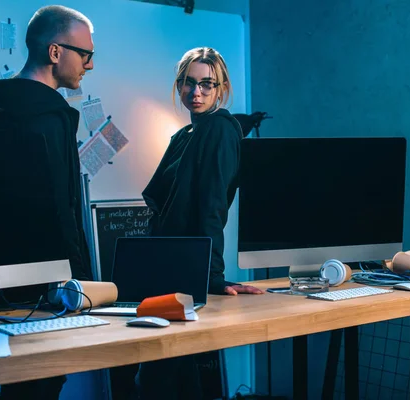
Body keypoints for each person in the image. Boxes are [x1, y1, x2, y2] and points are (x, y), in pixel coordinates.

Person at [0, 5, 95, 399]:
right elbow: (63, 203)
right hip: (48, 276)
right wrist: (82, 280)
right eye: (85, 54)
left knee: (17, 375)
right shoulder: (52, 115)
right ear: (55, 52)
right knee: (44, 376)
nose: (89, 65)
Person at [136, 47, 263, 399]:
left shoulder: (220, 129)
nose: (197, 93)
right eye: (189, 83)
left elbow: (212, 208)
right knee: (164, 375)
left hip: (187, 275)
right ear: (179, 86)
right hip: (162, 270)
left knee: (158, 379)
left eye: (207, 84)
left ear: (221, 88)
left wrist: (213, 278)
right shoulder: (184, 136)